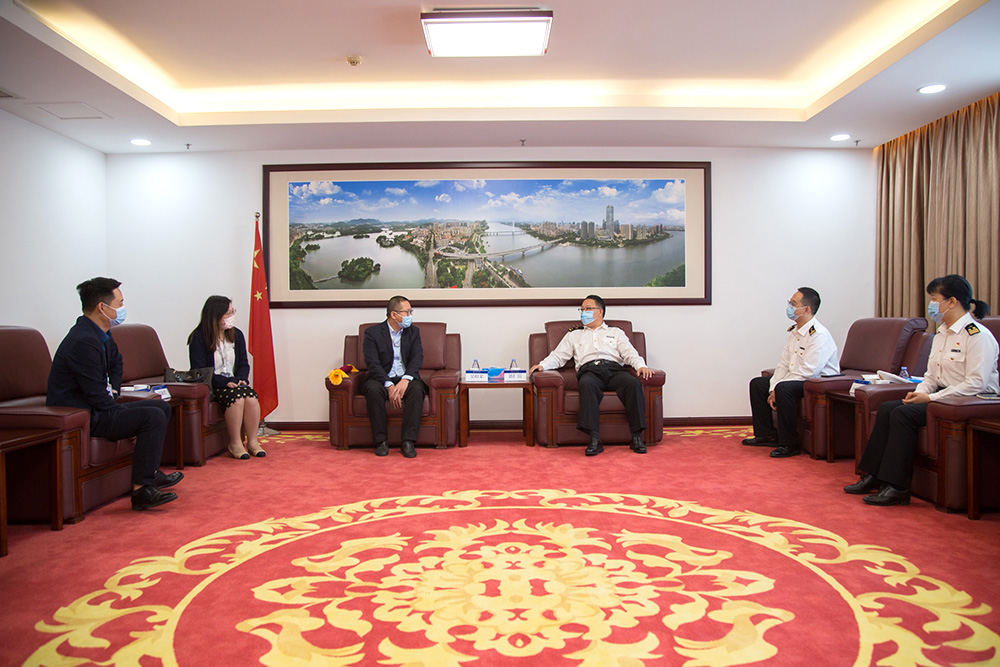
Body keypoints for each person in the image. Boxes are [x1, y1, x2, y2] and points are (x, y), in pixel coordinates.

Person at [846, 275, 998, 506]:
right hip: (941, 397)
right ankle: (872, 475)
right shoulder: (942, 334)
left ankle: (897, 487)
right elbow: (931, 376)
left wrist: (931, 397)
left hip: (969, 399)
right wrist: (921, 392)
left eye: (935, 299)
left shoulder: (977, 336)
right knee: (887, 409)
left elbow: (976, 383)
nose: (932, 305)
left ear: (952, 302)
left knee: (902, 414)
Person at [47, 277, 182, 511]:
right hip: (85, 415)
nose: (122, 308)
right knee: (151, 416)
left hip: (98, 406)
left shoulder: (101, 335)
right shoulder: (82, 340)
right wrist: (120, 414)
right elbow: (94, 394)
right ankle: (141, 491)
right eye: (119, 303)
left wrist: (116, 391)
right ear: (102, 307)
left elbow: (117, 363)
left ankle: (150, 473)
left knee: (160, 407)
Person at [528, 294, 654, 456]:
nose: (583, 313)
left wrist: (641, 366)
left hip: (614, 370)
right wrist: (542, 365)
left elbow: (630, 353)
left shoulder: (616, 332)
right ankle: (594, 438)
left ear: (600, 312)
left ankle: (636, 437)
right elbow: (558, 356)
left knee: (633, 384)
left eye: (588, 309)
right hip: (589, 371)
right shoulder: (574, 335)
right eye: (581, 310)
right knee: (586, 384)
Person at [742, 287, 840, 458]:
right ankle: (766, 434)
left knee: (784, 389)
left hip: (817, 382)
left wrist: (779, 387)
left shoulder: (819, 335)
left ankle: (789, 444)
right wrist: (772, 387)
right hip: (797, 379)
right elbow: (784, 364)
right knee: (758, 384)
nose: (789, 307)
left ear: (806, 309)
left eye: (793, 304)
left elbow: (809, 371)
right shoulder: (793, 332)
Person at [188, 295, 265, 460]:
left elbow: (243, 363)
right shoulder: (199, 337)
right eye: (228, 313)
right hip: (213, 385)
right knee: (238, 398)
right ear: (215, 315)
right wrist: (225, 382)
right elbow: (200, 371)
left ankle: (252, 442)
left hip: (235, 383)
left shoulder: (236, 335)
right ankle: (235, 443)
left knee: (251, 396)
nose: (231, 316)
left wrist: (242, 378)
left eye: (232, 312)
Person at [362, 295, 426, 458]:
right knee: (373, 391)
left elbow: (417, 358)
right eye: (407, 312)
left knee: (417, 390)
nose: (410, 316)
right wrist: (389, 384)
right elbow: (372, 363)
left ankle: (408, 441)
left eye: (411, 312)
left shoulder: (413, 332)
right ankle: (381, 441)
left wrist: (406, 379)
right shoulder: (372, 333)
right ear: (393, 314)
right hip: (381, 378)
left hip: (406, 377)